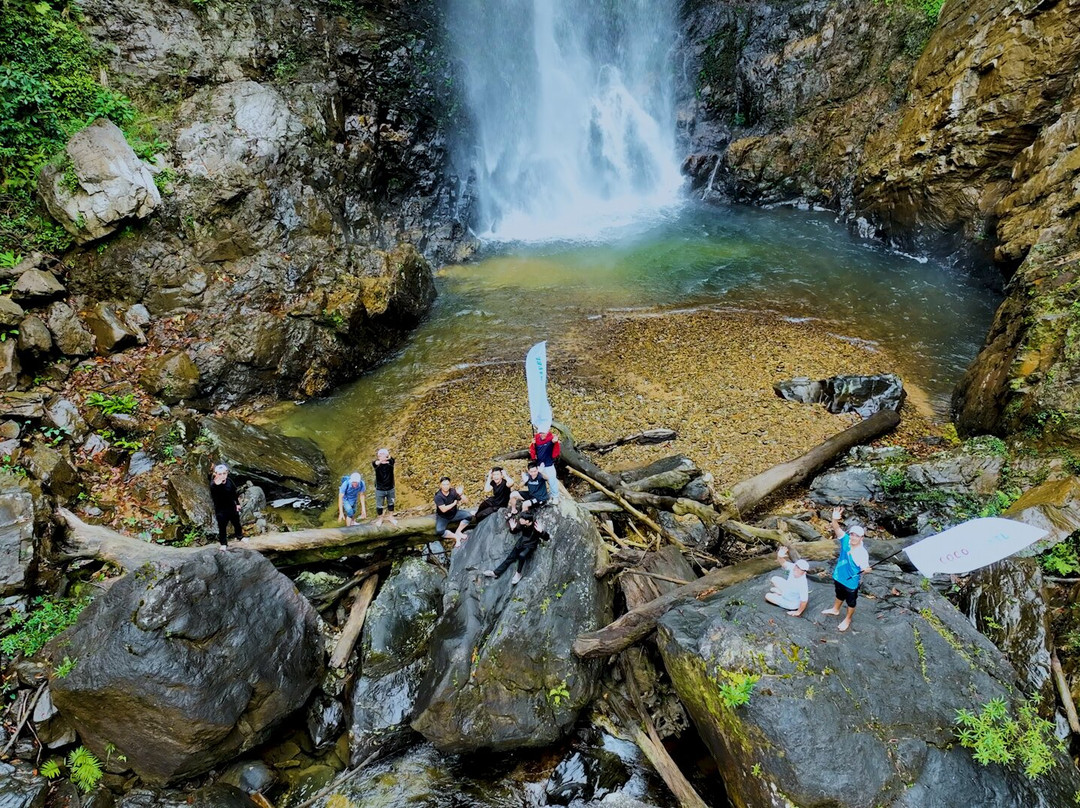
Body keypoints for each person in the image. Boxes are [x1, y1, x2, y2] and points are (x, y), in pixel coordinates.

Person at [822, 507, 872, 632]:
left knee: (851, 602)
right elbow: (836, 528)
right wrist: (834, 519)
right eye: (852, 534)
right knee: (839, 594)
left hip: (851, 581)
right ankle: (835, 609)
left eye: (857, 536)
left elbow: (865, 568)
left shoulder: (862, 553)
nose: (853, 537)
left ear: (862, 538)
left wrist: (867, 570)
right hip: (839, 576)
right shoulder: (845, 540)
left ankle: (848, 618)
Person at [483, 509, 550, 585]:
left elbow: (547, 538)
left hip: (530, 545)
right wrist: (512, 528)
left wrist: (541, 532)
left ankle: (518, 573)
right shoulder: (522, 524)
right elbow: (515, 531)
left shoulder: (535, 526)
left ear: (527, 521)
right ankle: (495, 573)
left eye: (522, 519)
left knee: (522, 555)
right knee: (510, 558)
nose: (520, 520)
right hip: (521, 543)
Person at [765, 546, 810, 617]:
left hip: (791, 602)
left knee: (768, 596)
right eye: (796, 566)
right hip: (788, 589)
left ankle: (780, 596)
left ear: (804, 572)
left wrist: (798, 612)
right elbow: (783, 563)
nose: (796, 569)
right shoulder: (794, 568)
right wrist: (779, 556)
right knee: (774, 579)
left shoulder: (802, 584)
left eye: (800, 569)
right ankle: (780, 593)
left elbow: (804, 601)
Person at [209, 463, 243, 550]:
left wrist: (237, 504)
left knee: (237, 523)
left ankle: (240, 536)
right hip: (221, 509)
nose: (222, 476)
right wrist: (219, 484)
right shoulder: (213, 485)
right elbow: (217, 494)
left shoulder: (229, 481)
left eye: (224, 473)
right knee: (222, 527)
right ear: (215, 474)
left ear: (227, 473)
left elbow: (234, 493)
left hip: (231, 506)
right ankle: (223, 543)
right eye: (220, 474)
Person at [434, 476, 472, 546]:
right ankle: (455, 536)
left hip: (454, 513)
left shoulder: (453, 491)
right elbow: (443, 509)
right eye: (443, 485)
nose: (445, 486)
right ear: (440, 485)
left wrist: (461, 494)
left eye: (447, 484)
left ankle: (458, 531)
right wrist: (454, 503)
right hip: (443, 517)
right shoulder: (438, 496)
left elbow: (466, 502)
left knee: (468, 516)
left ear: (450, 484)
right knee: (439, 531)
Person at [529, 426, 561, 503]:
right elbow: (533, 451)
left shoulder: (551, 439)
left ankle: (555, 496)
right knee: (540, 481)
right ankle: (542, 496)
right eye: (541, 433)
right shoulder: (536, 439)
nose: (542, 435)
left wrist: (555, 442)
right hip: (539, 465)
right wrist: (533, 444)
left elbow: (555, 448)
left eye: (544, 433)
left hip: (549, 464)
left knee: (552, 479)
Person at [372, 448, 398, 526]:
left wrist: (387, 457)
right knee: (379, 506)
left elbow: (392, 459)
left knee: (391, 504)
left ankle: (391, 517)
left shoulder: (390, 463)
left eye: (384, 455)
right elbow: (375, 463)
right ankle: (380, 519)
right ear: (378, 456)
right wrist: (381, 460)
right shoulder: (377, 464)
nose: (382, 456)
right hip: (380, 489)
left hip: (390, 488)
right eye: (380, 455)